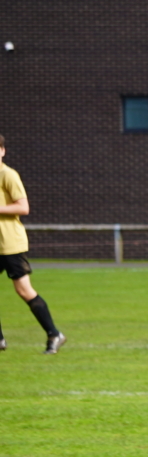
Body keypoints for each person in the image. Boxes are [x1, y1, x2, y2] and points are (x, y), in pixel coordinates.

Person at [0, 135, 65, 354]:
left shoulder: (8, 175)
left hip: (10, 244)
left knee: (23, 290)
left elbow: (23, 207)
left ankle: (54, 334)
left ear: (2, 151)